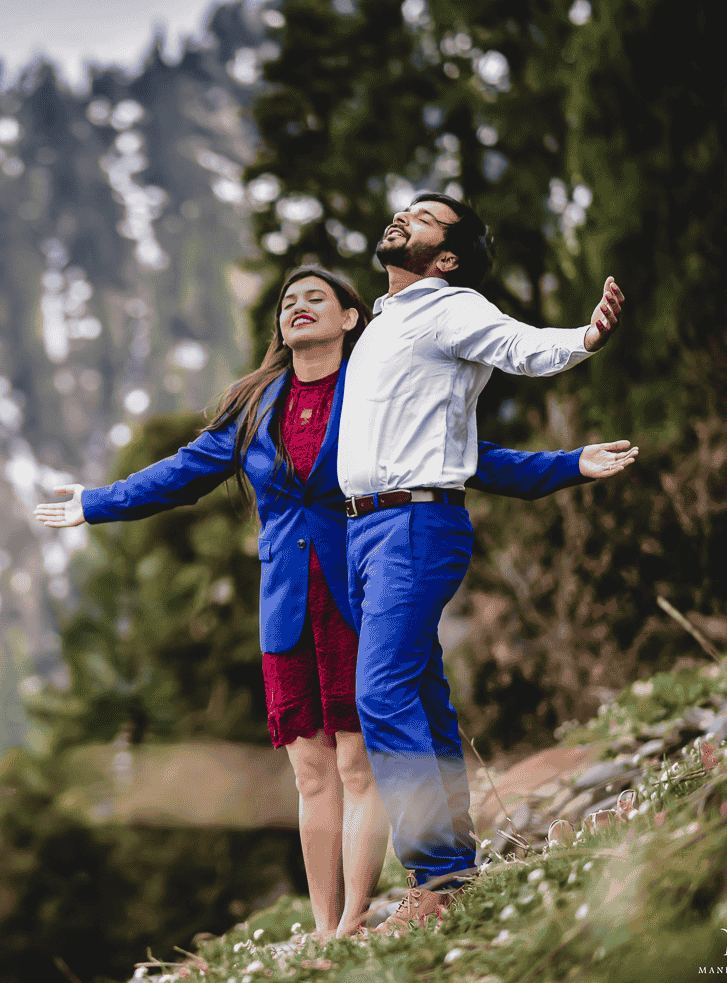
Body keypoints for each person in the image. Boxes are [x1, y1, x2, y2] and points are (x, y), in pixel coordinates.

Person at [34, 264, 635, 938]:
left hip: (361, 587)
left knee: (358, 760)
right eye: (289, 300)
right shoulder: (255, 405)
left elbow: (462, 453)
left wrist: (565, 464)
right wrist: (95, 502)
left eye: (316, 297)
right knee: (311, 771)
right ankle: (325, 926)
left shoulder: (373, 388)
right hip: (285, 604)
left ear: (352, 317)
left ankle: (356, 915)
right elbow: (182, 473)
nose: (299, 306)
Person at [337, 193, 625, 935]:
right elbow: (463, 452)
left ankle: (434, 879)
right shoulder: (381, 324)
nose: (403, 215)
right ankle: (454, 866)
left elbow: (524, 346)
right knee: (420, 695)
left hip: (413, 524)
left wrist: (585, 338)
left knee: (381, 693)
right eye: (402, 207)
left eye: (425, 217)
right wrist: (563, 464)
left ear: (448, 256)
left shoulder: (452, 305)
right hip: (365, 533)